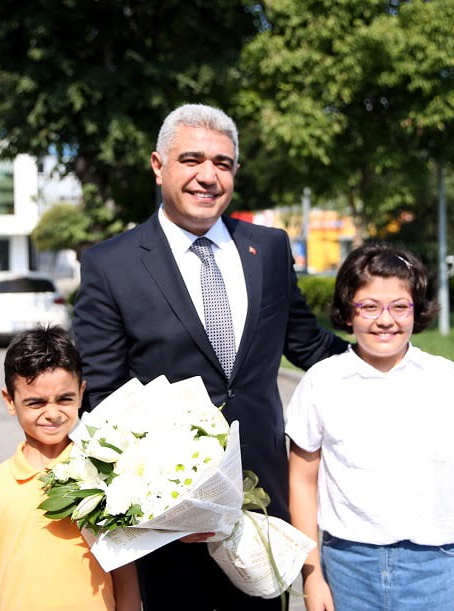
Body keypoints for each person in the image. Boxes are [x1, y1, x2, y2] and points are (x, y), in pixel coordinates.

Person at [73, 103, 348, 610]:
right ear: (158, 166)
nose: (208, 176)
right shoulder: (111, 264)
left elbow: (308, 344)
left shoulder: (268, 248)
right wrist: (162, 503)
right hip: (167, 518)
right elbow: (103, 396)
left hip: (262, 506)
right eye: (191, 160)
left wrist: (385, 361)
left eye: (222, 163)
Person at [286, 243, 454, 611]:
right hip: (348, 568)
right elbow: (301, 481)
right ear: (348, 312)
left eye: (400, 307)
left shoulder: (447, 380)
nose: (386, 320)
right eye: (369, 306)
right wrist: (312, 575)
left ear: (417, 310)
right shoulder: (322, 382)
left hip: (435, 570)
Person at [0, 327, 140, 611]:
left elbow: (125, 576)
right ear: (10, 401)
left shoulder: (106, 476)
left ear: (81, 393)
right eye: (36, 403)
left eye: (65, 399)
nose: (53, 413)